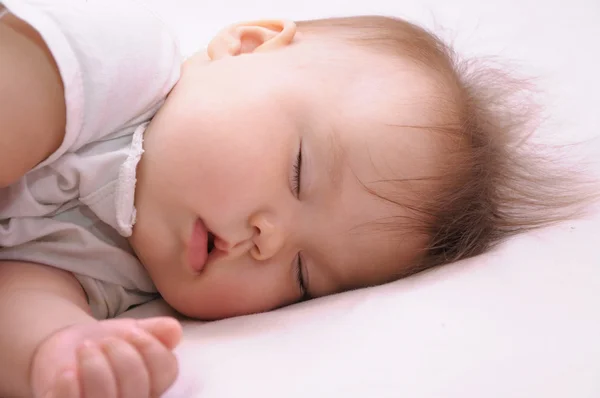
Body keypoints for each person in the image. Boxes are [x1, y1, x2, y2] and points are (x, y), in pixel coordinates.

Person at [0, 1, 587, 397]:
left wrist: (60, 349)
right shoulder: (119, 66)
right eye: (300, 172)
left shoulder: (116, 276)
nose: (268, 240)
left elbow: (19, 301)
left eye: (302, 275)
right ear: (247, 46)